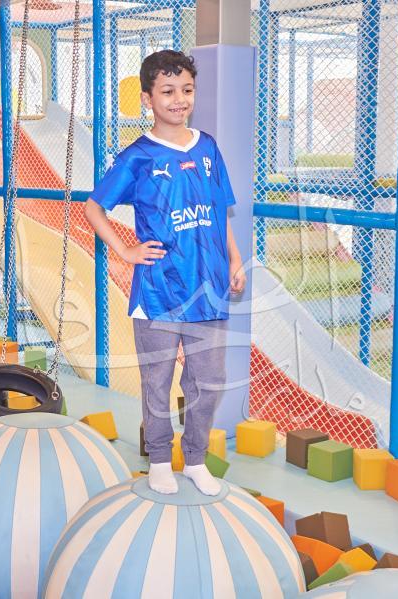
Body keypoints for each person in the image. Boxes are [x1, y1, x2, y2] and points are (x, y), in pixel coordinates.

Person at [84, 50, 245, 496]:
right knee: (157, 381)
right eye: (168, 91)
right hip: (157, 291)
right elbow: (94, 208)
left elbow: (219, 211)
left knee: (207, 381)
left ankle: (194, 460)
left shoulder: (208, 147)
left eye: (187, 90)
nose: (179, 99)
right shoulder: (138, 156)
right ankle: (159, 460)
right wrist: (125, 249)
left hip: (208, 288)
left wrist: (234, 259)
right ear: (148, 98)